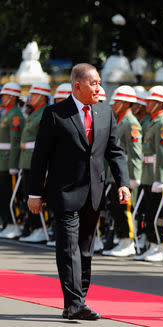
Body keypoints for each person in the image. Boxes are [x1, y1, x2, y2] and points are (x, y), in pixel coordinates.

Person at [27, 63, 131, 320]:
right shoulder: (55, 114)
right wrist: (34, 193)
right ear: (77, 86)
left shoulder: (105, 113)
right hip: (64, 193)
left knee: (86, 249)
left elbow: (115, 152)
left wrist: (123, 183)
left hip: (94, 192)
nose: (99, 87)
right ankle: (73, 304)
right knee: (68, 248)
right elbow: (41, 157)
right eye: (94, 83)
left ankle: (79, 299)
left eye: (99, 83)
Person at [133, 85, 163, 262]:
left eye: (150, 101)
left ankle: (160, 246)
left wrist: (162, 179)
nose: (147, 104)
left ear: (158, 103)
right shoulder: (151, 121)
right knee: (149, 213)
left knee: (159, 213)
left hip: (156, 174)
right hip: (148, 173)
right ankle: (152, 243)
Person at [102, 85, 142, 257]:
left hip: (125, 174)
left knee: (125, 208)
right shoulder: (119, 120)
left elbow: (135, 153)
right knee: (117, 208)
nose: (115, 104)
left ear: (126, 103)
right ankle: (121, 238)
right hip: (115, 173)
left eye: (118, 101)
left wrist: (134, 176)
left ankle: (128, 242)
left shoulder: (131, 123)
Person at [18, 82, 52, 243]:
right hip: (27, 159)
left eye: (33, 95)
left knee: (38, 195)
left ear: (41, 97)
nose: (30, 98)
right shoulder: (34, 113)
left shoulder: (44, 113)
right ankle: (35, 226)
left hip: (36, 159)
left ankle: (41, 227)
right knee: (28, 195)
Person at [0, 82, 25, 239]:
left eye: (4, 96)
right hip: (3, 160)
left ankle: (14, 223)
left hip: (9, 161)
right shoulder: (7, 112)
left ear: (11, 97)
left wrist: (13, 165)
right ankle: (7, 223)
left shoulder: (15, 115)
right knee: (3, 194)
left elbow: (15, 142)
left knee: (10, 194)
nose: (2, 98)